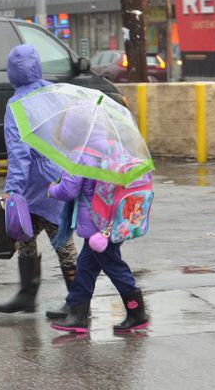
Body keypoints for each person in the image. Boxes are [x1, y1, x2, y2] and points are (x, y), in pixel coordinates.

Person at [0, 44, 79, 317]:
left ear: (11, 73)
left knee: (44, 236)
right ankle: (33, 294)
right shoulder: (56, 94)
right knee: (38, 235)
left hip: (34, 185)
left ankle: (75, 302)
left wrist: (12, 191)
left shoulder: (16, 105)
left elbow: (19, 153)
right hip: (59, 176)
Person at [47, 110, 149, 333]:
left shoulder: (80, 153)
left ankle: (137, 312)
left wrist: (52, 189)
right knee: (85, 268)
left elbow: (69, 190)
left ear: (74, 130)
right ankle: (77, 314)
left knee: (115, 268)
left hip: (95, 225)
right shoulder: (114, 147)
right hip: (115, 219)